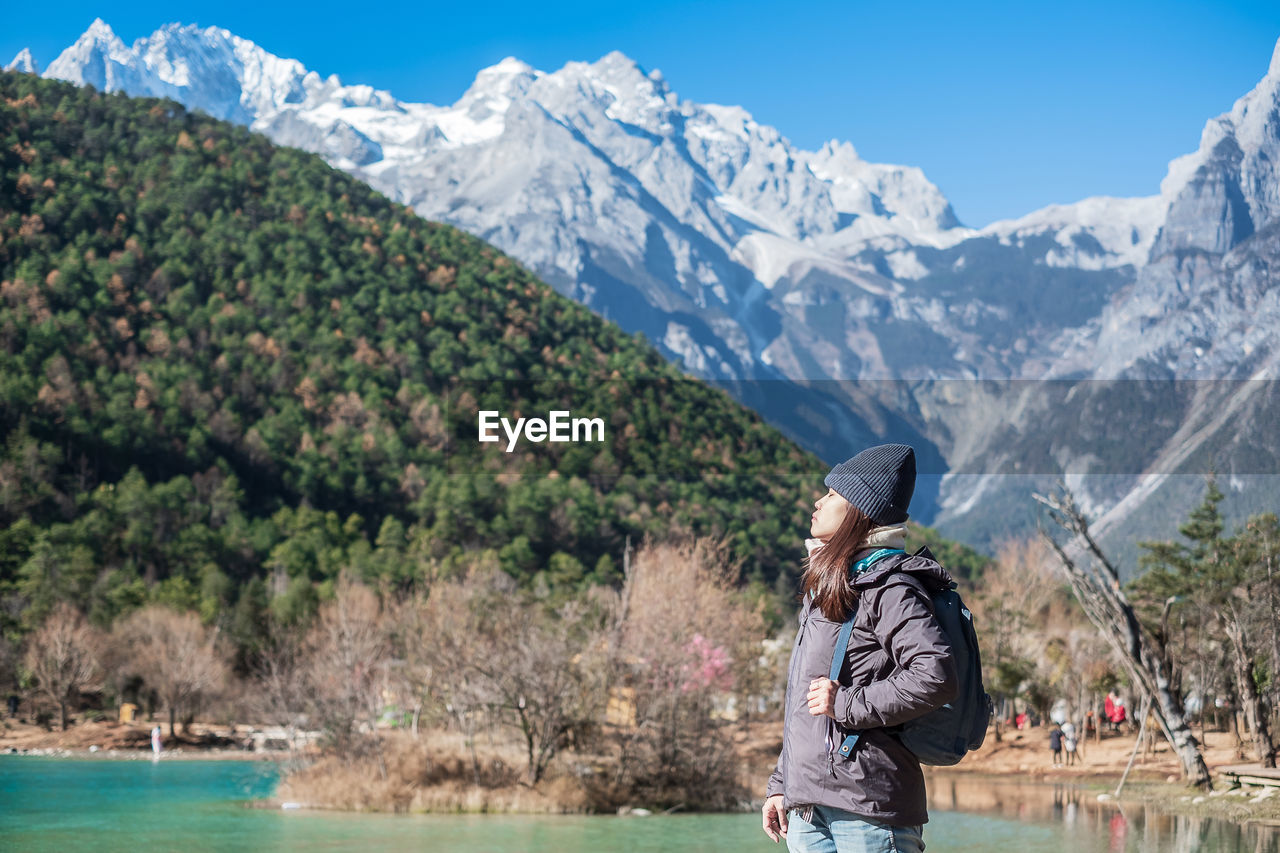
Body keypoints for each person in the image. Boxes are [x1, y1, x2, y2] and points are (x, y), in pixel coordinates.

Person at [761, 444, 959, 853]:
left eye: (832, 494)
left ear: (858, 510)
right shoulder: (828, 586)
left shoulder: (890, 586)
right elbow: (805, 702)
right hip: (809, 810)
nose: (819, 500)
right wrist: (782, 785)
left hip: (868, 811)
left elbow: (935, 674)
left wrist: (847, 703)